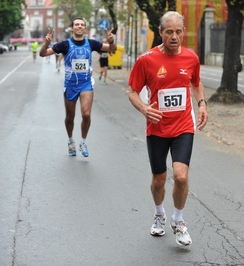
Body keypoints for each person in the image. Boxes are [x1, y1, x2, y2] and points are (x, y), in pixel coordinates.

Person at [128, 11, 208, 246]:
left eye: (179, 32)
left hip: (184, 126)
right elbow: (132, 91)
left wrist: (202, 104)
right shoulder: (147, 60)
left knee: (181, 177)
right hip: (157, 128)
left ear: (183, 32)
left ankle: (178, 220)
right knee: (160, 179)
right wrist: (144, 109)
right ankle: (159, 213)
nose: (175, 36)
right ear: (160, 32)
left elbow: (196, 82)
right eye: (169, 32)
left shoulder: (191, 57)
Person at [39, 18, 116, 157]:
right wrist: (46, 44)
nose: (79, 27)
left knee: (86, 114)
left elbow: (112, 50)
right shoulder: (64, 44)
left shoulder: (91, 43)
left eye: (82, 25)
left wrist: (111, 41)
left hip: (86, 83)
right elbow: (43, 54)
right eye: (77, 25)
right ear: (72, 28)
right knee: (70, 117)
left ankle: (83, 142)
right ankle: (70, 141)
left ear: (85, 28)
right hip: (70, 85)